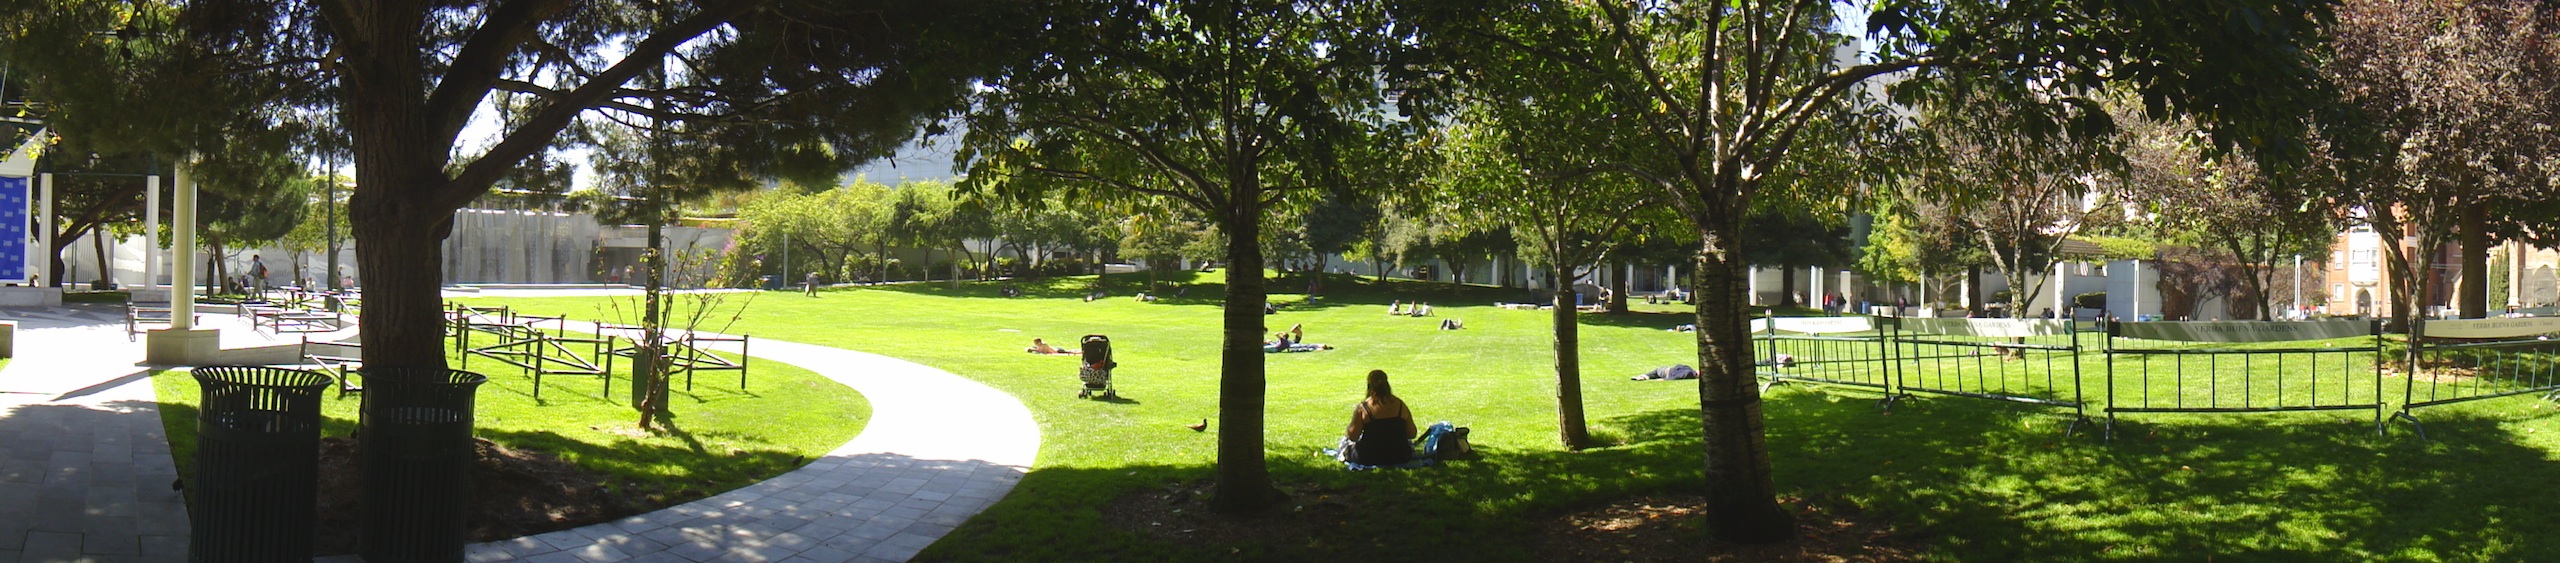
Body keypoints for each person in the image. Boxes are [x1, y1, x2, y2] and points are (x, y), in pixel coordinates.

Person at [1343, 370, 1416, 465]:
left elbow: (1353, 436)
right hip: (1400, 456)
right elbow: (1412, 434)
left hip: (1369, 457)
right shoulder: (1400, 405)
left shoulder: (1364, 408)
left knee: (1345, 445)